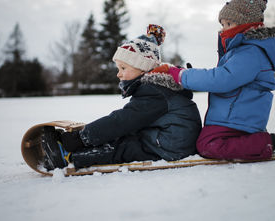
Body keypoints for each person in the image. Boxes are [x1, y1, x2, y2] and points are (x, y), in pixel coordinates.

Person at [41, 24, 202, 170]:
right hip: (169, 137)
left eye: (123, 67)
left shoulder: (155, 91)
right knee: (124, 136)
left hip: (172, 145)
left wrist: (81, 138)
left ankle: (67, 156)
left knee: (123, 147)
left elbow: (122, 121)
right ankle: (73, 149)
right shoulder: (156, 88)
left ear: (142, 68)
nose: (118, 74)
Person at [152, 0, 275, 161]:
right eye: (222, 25)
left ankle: (262, 143)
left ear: (248, 24)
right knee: (202, 142)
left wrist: (182, 75)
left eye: (229, 24)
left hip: (238, 118)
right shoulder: (239, 51)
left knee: (208, 146)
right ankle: (252, 141)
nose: (223, 30)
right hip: (230, 117)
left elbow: (221, 79)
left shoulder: (250, 53)